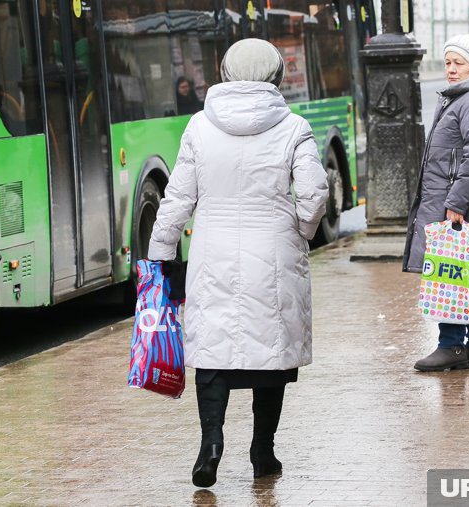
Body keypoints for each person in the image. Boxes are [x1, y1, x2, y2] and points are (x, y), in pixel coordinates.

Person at [147, 39, 329, 487]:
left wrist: (160, 253)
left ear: (224, 73)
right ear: (276, 75)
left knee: (213, 350)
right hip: (274, 250)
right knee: (271, 354)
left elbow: (177, 199)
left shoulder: (198, 127)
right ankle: (262, 452)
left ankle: (211, 445)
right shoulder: (293, 127)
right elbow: (314, 194)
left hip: (214, 252)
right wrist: (302, 230)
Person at [403, 34, 469, 372]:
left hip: (460, 206)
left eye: (458, 63)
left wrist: (456, 203)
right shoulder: (464, 97)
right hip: (456, 202)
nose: (450, 69)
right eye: (448, 62)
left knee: (451, 273)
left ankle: (451, 346)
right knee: (465, 272)